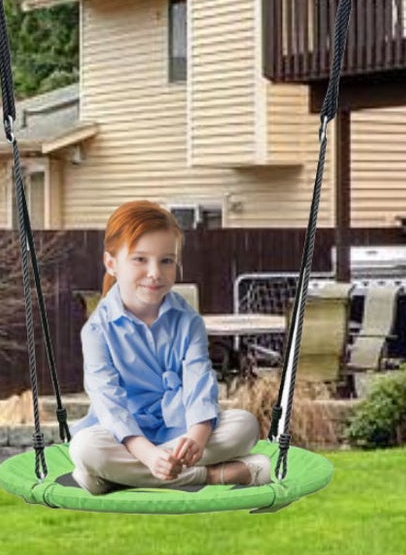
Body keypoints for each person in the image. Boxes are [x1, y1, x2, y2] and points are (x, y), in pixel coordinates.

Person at [69, 199, 271, 495]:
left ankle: (112, 478)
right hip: (125, 438)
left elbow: (199, 384)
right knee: (86, 449)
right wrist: (149, 456)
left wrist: (198, 438)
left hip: (181, 431)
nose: (155, 272)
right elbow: (109, 406)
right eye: (140, 260)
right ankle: (211, 476)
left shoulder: (188, 321)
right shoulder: (98, 331)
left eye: (166, 261)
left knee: (245, 425)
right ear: (112, 263)